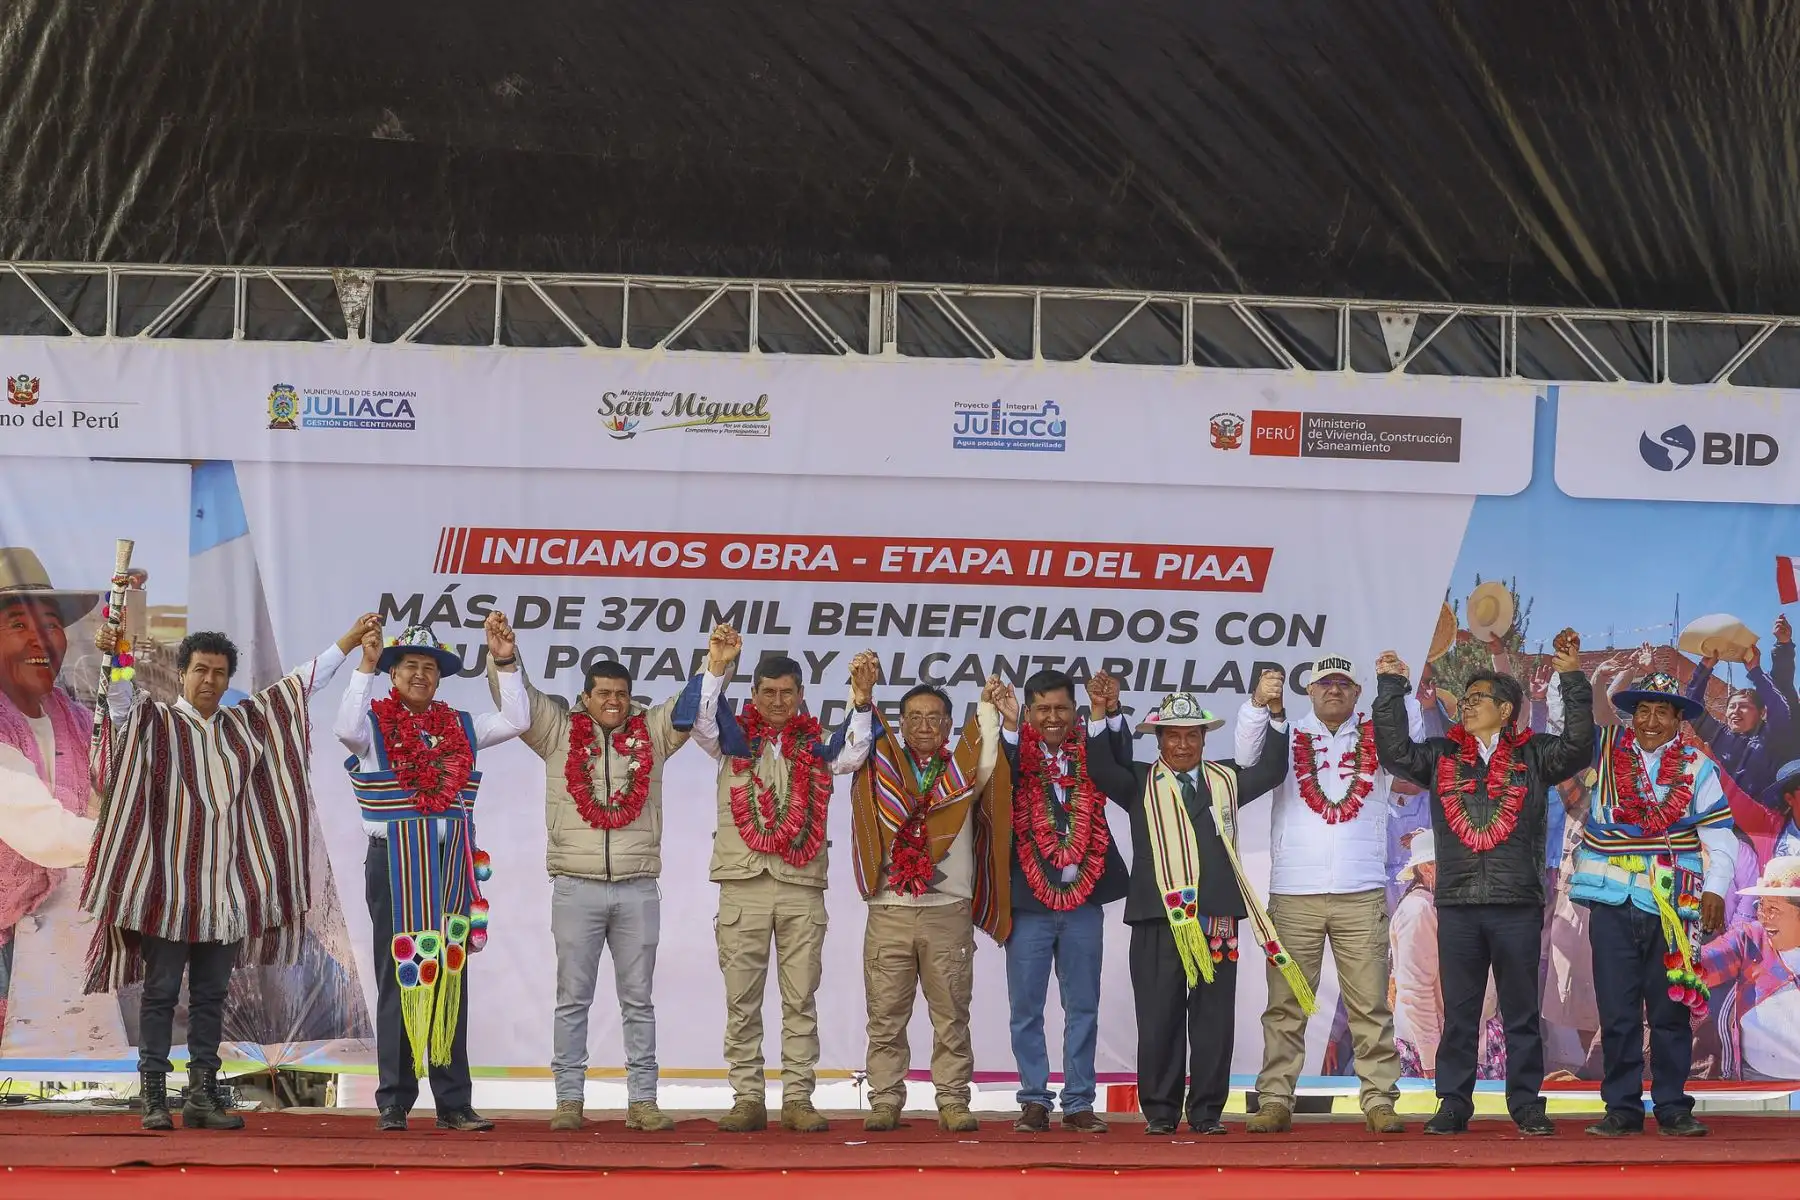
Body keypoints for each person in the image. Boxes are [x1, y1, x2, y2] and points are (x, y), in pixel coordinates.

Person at [84, 610, 378, 1131]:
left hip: (225, 896)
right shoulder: (154, 722)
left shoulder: (243, 726)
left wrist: (348, 642)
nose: (210, 680)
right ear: (181, 673)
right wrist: (118, 654)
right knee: (160, 993)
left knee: (210, 998)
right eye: (200, 669)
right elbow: (120, 700)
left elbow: (299, 685)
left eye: (219, 673)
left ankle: (201, 1097)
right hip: (167, 891)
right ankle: (154, 1098)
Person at [1369, 630, 1594, 1136]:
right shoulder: (1443, 755)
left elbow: (1579, 746)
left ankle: (1527, 1104)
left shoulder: (1535, 755)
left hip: (1516, 903)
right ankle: (1452, 1103)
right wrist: (1390, 687)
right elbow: (1396, 753)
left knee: (1519, 1011)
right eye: (1465, 698)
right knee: (1461, 1012)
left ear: (1506, 710)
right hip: (1457, 903)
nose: (1467, 705)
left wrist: (1572, 677)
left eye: (1478, 698)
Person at [674, 625, 876, 1133]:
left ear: (801, 695)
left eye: (787, 692)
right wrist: (716, 665)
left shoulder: (820, 744)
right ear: (754, 693)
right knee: (741, 1000)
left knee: (800, 1000)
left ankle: (798, 1098)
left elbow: (854, 753)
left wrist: (861, 699)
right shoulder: (730, 739)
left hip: (801, 888)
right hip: (742, 886)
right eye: (769, 692)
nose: (778, 701)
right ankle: (747, 1098)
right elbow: (699, 718)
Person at [488, 641, 696, 1132]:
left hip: (637, 887)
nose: (613, 701)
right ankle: (568, 1101)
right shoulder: (559, 731)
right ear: (585, 697)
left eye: (621, 693)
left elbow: (689, 705)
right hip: (575, 887)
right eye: (603, 693)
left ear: (631, 697)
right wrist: (503, 660)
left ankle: (643, 1102)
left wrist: (717, 664)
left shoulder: (652, 732)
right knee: (572, 1000)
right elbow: (519, 701)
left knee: (638, 1002)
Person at [336, 615, 528, 1134]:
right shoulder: (372, 724)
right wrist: (364, 666)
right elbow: (344, 729)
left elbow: (516, 719)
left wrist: (504, 660)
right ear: (393, 674)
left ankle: (453, 1102)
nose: (420, 674)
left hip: (449, 863)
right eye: (409, 666)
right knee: (399, 971)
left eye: (429, 667)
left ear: (440, 677)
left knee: (450, 972)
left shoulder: (462, 726)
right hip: (394, 861)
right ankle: (394, 1100)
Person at [1083, 687, 1290, 1136]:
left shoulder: (1226, 780)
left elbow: (1273, 769)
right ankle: (1160, 1112)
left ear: (1203, 738)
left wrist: (1276, 712)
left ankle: (1207, 1112)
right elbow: (1099, 768)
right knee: (1159, 1016)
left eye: (1191, 735)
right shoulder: (1138, 781)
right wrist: (1100, 712)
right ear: (1158, 740)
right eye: (1172, 736)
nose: (1182, 744)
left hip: (1216, 916)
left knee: (1213, 1017)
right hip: (1158, 917)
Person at [1238, 656, 1419, 1136]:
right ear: (1310, 691)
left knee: (1370, 1005)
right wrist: (1258, 705)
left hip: (1361, 890)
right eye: (1324, 683)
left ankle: (1380, 1100)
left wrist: (1398, 688)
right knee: (1285, 1004)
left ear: (1358, 693)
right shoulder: (1288, 732)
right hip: (1294, 892)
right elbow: (1247, 756)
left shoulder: (1378, 736)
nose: (1334, 690)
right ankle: (1275, 1099)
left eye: (1343, 683)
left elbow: (1412, 740)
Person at [1549, 669, 1735, 1136]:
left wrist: (1716, 888)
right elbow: (1567, 725)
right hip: (1611, 899)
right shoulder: (1603, 749)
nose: (1651, 721)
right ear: (1631, 716)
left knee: (1671, 1011)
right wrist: (1571, 674)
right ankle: (1622, 1109)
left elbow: (1720, 835)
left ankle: (1673, 1107)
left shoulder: (1697, 767)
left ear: (1678, 720)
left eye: (1662, 712)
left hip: (1672, 904)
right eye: (1643, 711)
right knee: (1617, 1010)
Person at [848, 680, 1007, 1133]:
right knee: (885, 1015)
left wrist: (988, 709)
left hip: (947, 911)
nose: (924, 726)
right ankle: (884, 1100)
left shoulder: (962, 774)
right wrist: (860, 699)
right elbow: (850, 746)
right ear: (900, 724)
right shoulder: (879, 768)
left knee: (952, 1015)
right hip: (889, 910)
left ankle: (953, 1100)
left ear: (949, 725)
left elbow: (987, 756)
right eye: (914, 717)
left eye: (934, 718)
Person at [989, 669, 1130, 1133]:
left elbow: (1119, 758)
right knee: (1026, 1009)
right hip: (1028, 904)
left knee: (1083, 1006)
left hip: (1084, 902)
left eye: (1062, 709)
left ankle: (1078, 1102)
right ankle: (1034, 1100)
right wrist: (1010, 724)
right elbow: (998, 778)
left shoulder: (1090, 749)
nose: (1053, 717)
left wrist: (1107, 711)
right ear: (1030, 712)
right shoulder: (1015, 751)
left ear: (1075, 711)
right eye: (1043, 709)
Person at [0, 548, 106, 1048]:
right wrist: (134, 843)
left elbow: (113, 794)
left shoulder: (76, 720)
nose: (40, 640)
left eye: (50, 625)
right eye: (18, 624)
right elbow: (41, 831)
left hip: (46, 939)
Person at [1698, 855, 1800, 1080]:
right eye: (1760, 906)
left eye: (1773, 909)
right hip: (1755, 1081)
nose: (1763, 918)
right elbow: (1704, 964)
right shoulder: (1749, 939)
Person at [1683, 633, 1792, 801]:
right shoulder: (1718, 735)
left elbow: (1779, 708)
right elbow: (1692, 704)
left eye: (1744, 706)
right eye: (1732, 707)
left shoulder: (1772, 736)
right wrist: (1704, 668)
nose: (1736, 711)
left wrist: (1755, 671)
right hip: (1722, 812)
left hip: (1763, 814)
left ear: (1762, 712)